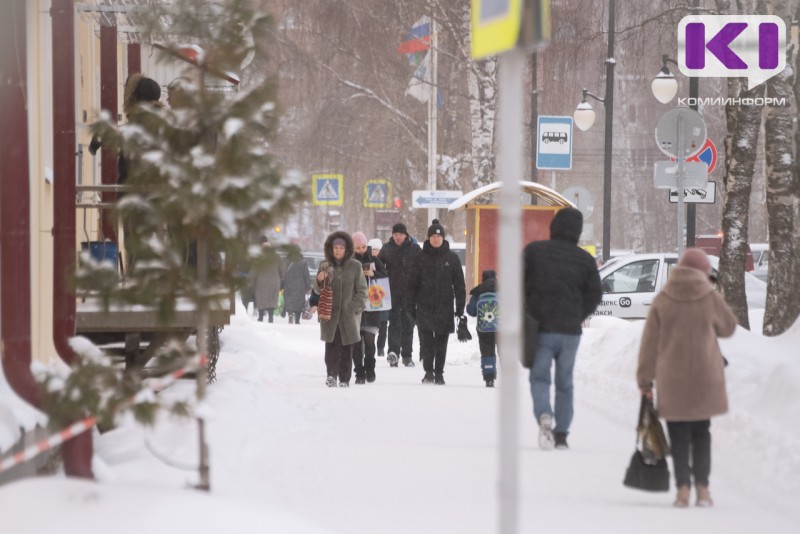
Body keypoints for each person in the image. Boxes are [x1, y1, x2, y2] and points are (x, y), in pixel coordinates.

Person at [637, 248, 737, 508]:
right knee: (702, 432)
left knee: (678, 433)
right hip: (705, 376)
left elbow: (649, 345)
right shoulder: (710, 297)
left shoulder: (663, 299)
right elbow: (728, 328)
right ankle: (703, 489)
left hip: (672, 379)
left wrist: (645, 382)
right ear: (704, 271)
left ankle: (683, 489)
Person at [523, 207, 602, 450]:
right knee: (565, 382)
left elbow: (519, 283)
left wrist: (528, 309)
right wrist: (578, 315)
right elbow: (595, 294)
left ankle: (544, 414)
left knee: (540, 377)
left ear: (554, 226)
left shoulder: (535, 252)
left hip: (541, 328)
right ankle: (562, 434)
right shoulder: (585, 260)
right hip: (570, 332)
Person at [408, 219, 466, 385]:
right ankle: (428, 372)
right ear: (428, 238)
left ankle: (439, 373)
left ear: (443, 238)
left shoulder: (452, 258)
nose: (436, 239)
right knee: (427, 341)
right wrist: (411, 306)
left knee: (441, 341)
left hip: (444, 307)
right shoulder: (420, 257)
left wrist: (459, 309)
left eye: (438, 236)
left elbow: (459, 286)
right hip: (424, 306)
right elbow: (412, 284)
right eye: (433, 236)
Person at [313, 231, 367, 387]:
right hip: (329, 314)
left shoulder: (355, 266)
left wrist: (352, 307)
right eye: (335, 247)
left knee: (346, 348)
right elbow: (317, 290)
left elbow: (362, 291)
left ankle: (344, 379)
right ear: (331, 249)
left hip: (348, 316)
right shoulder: (324, 265)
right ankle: (331, 375)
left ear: (346, 249)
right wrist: (319, 280)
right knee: (331, 347)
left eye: (341, 248)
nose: (338, 251)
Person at [379, 222, 421, 367]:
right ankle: (393, 353)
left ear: (405, 235)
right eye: (395, 234)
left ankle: (407, 355)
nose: (397, 237)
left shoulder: (414, 249)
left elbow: (422, 267)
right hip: (392, 292)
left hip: (410, 293)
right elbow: (379, 266)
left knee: (408, 323)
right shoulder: (387, 248)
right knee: (394, 323)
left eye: (400, 234)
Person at [351, 232, 388, 384]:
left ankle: (370, 368)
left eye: (363, 247)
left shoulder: (374, 260)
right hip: (355, 308)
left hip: (373, 307)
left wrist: (374, 274)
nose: (361, 250)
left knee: (370, 341)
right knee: (356, 343)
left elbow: (385, 277)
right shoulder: (350, 262)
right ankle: (359, 372)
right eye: (358, 247)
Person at [466, 269, 498, 387]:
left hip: (484, 329)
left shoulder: (479, 291)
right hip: (501, 328)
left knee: (487, 351)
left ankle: (489, 379)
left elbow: (471, 311)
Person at [251, 237, 285, 323]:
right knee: (272, 298)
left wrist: (250, 279)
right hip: (274, 281)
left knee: (261, 298)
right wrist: (282, 278)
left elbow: (254, 270)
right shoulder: (277, 257)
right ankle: (270, 317)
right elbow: (283, 269)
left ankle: (260, 317)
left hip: (261, 281)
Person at [368, 238, 389, 357]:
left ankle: (381, 347)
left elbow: (386, 276)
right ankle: (370, 346)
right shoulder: (366, 261)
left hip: (383, 295)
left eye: (377, 250)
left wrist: (375, 274)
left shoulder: (385, 262)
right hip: (370, 296)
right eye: (373, 249)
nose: (375, 252)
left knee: (383, 323)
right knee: (370, 324)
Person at [282, 244, 310, 325]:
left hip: (288, 284)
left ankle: (290, 314)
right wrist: (308, 286)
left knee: (289, 300)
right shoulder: (303, 261)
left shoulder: (286, 260)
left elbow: (283, 274)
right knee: (299, 302)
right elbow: (306, 274)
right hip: (300, 285)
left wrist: (281, 285)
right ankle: (297, 319)